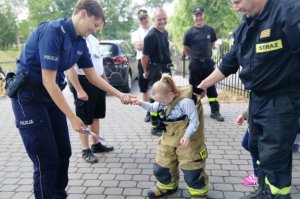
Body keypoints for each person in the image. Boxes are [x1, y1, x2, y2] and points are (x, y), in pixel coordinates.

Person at [9, 0, 133, 198]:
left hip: (51, 97)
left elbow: (92, 76)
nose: (94, 30)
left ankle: (58, 194)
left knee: (63, 152)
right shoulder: (53, 31)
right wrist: (72, 117)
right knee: (46, 159)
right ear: (82, 14)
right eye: (94, 25)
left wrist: (120, 95)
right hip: (29, 98)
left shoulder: (80, 42)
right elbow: (48, 81)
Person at [198, 0, 300, 198]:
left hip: (281, 101)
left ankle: (277, 195)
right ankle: (263, 191)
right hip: (257, 99)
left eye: (238, 1)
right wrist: (204, 84)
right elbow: (230, 62)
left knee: (275, 155)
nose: (236, 8)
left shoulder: (289, 12)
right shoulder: (246, 26)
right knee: (256, 147)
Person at [132, 74, 209, 199]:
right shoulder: (162, 100)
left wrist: (187, 135)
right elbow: (152, 107)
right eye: (158, 101)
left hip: (188, 139)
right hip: (169, 136)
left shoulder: (186, 103)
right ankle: (167, 186)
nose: (159, 104)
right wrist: (139, 103)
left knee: (192, 166)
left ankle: (198, 193)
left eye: (162, 101)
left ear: (171, 95)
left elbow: (195, 121)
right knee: (162, 162)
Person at [68, 34, 113, 164]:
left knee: (95, 115)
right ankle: (85, 149)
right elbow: (70, 67)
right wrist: (78, 89)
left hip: (97, 80)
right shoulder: (74, 39)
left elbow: (99, 60)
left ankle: (96, 144)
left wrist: (104, 78)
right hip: (83, 81)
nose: (95, 27)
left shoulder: (93, 38)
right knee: (84, 118)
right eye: (94, 24)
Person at [183, 6, 224, 122]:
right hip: (195, 65)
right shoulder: (189, 32)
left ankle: (215, 111)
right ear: (193, 17)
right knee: (195, 89)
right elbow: (185, 48)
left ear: (203, 15)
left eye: (200, 14)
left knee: (211, 87)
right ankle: (193, 112)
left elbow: (212, 44)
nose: (199, 17)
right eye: (196, 15)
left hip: (207, 64)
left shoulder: (210, 30)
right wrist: (192, 57)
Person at [141, 8, 172, 136]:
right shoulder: (151, 36)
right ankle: (155, 127)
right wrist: (146, 71)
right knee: (156, 99)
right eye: (159, 19)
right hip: (155, 69)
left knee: (165, 96)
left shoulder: (165, 33)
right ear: (153, 20)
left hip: (165, 68)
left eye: (164, 18)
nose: (162, 21)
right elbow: (144, 57)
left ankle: (162, 122)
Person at [131, 9, 152, 122]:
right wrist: (150, 45)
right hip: (141, 62)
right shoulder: (136, 33)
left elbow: (143, 46)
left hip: (154, 63)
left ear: (148, 18)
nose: (144, 20)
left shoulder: (154, 30)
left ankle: (157, 110)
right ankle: (148, 111)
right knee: (144, 89)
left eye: (145, 17)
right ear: (139, 20)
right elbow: (138, 47)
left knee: (155, 87)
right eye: (141, 19)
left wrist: (145, 45)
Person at [236, 111, 259, 187]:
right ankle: (260, 173)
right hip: (254, 119)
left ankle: (258, 176)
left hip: (261, 120)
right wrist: (245, 114)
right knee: (247, 144)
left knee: (254, 147)